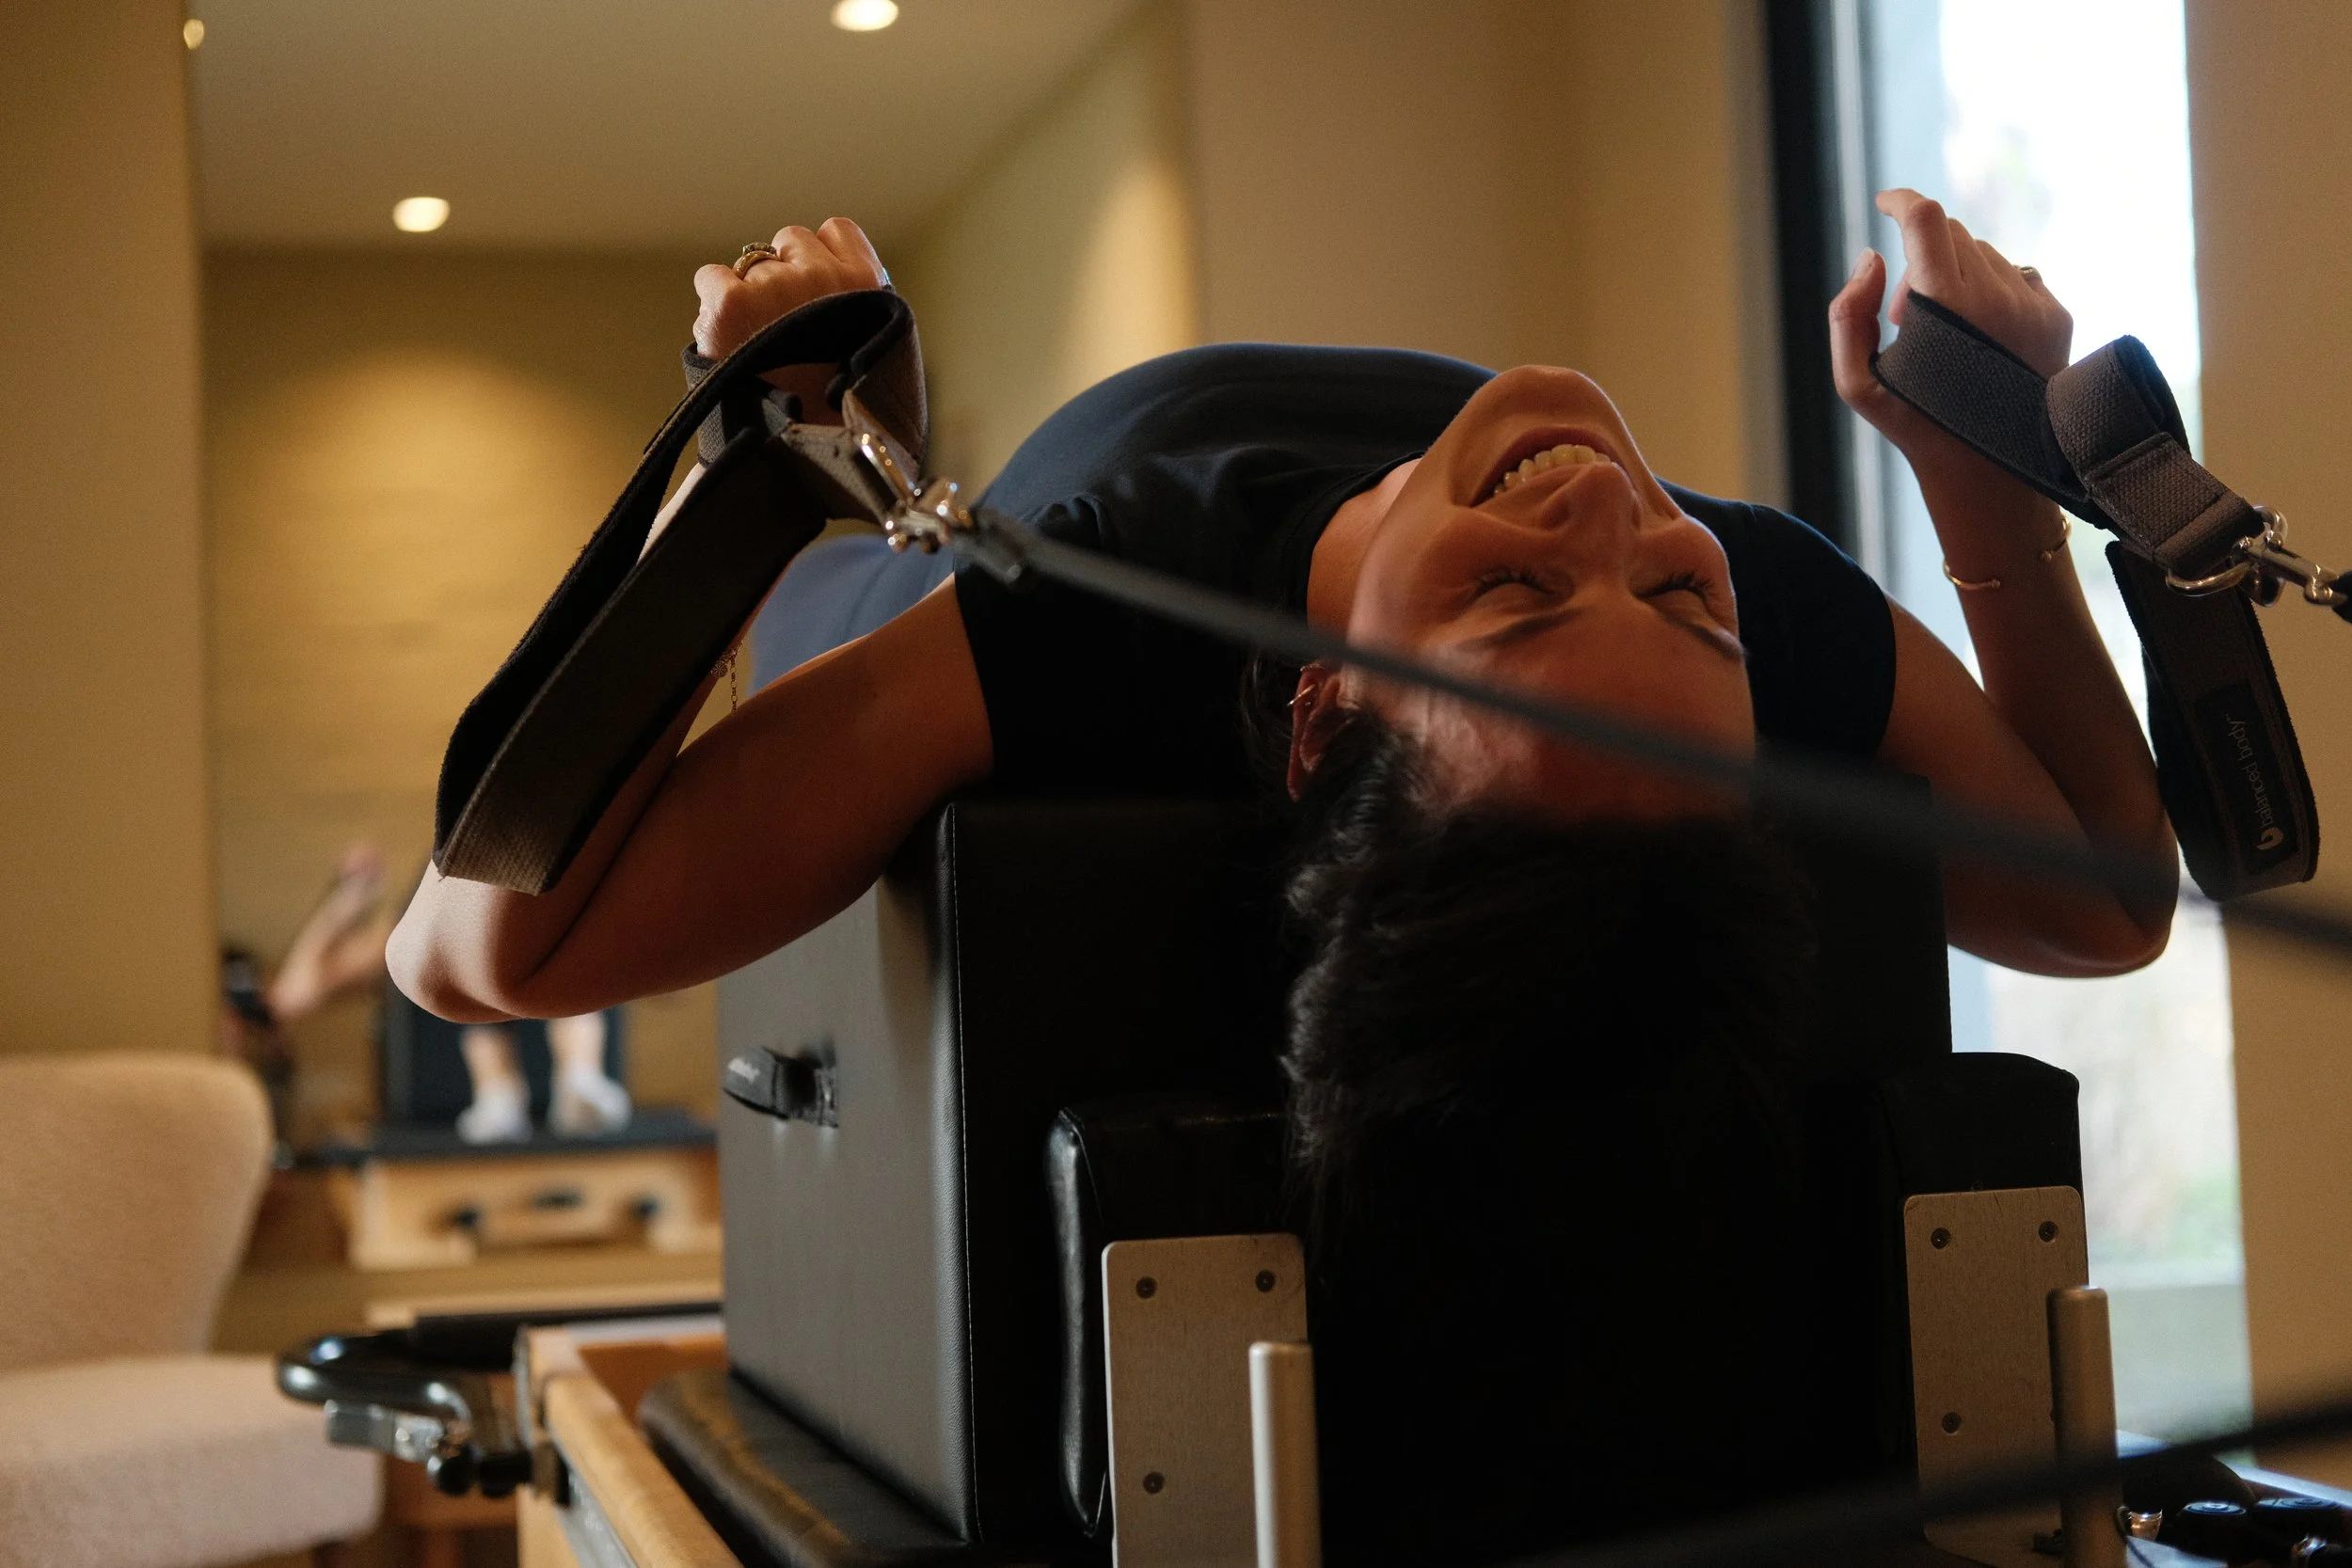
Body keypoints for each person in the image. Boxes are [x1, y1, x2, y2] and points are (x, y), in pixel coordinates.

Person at [389, 193, 2176, 1554]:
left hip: (1042, 517)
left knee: (821, 613)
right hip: (1139, 488)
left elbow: (469, 953)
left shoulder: (1096, 622)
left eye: (1513, 597)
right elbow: (2106, 896)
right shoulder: (1743, 596)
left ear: (1322, 721)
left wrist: (761, 467)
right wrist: (1980, 477)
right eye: (1667, 594)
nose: (1606, 521)